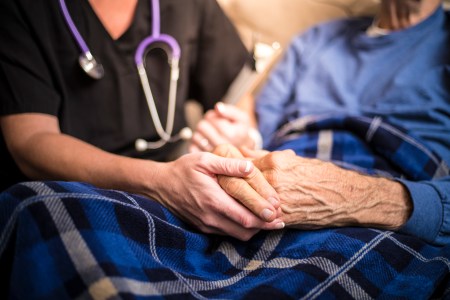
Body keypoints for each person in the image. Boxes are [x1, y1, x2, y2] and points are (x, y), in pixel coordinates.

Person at [0, 0, 285, 240]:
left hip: (181, 188)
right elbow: (29, 141)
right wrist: (161, 182)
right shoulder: (21, 9)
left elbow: (236, 93)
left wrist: (241, 134)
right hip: (69, 194)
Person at [190, 0, 450, 246]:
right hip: (281, 184)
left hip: (397, 204)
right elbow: (261, 133)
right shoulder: (314, 40)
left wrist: (355, 197)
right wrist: (241, 139)